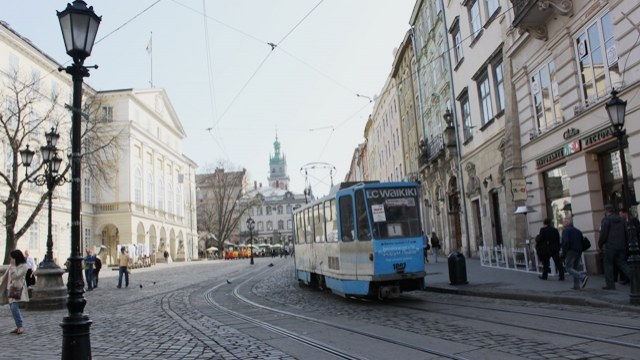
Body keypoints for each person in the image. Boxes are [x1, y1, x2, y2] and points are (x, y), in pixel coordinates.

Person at [599, 204, 632, 290]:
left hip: (610, 246)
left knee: (608, 265)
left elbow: (603, 235)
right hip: (621, 245)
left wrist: (600, 244)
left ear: (606, 211)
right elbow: (626, 233)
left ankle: (610, 284)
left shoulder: (606, 221)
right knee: (623, 264)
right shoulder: (622, 220)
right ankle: (635, 279)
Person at [0, 250, 30, 335]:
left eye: (12, 257)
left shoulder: (24, 266)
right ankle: (18, 326)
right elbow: (5, 277)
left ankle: (20, 326)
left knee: (14, 307)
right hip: (9, 288)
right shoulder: (11, 266)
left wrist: (13, 266)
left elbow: (16, 276)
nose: (10, 259)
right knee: (13, 309)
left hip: (17, 289)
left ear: (16, 257)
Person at [561, 218, 588, 290]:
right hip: (579, 251)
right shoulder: (578, 231)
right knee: (575, 268)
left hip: (571, 251)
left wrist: (564, 252)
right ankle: (576, 285)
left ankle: (582, 277)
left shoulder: (565, 231)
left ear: (567, 223)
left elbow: (565, 242)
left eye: (563, 222)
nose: (562, 223)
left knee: (568, 267)